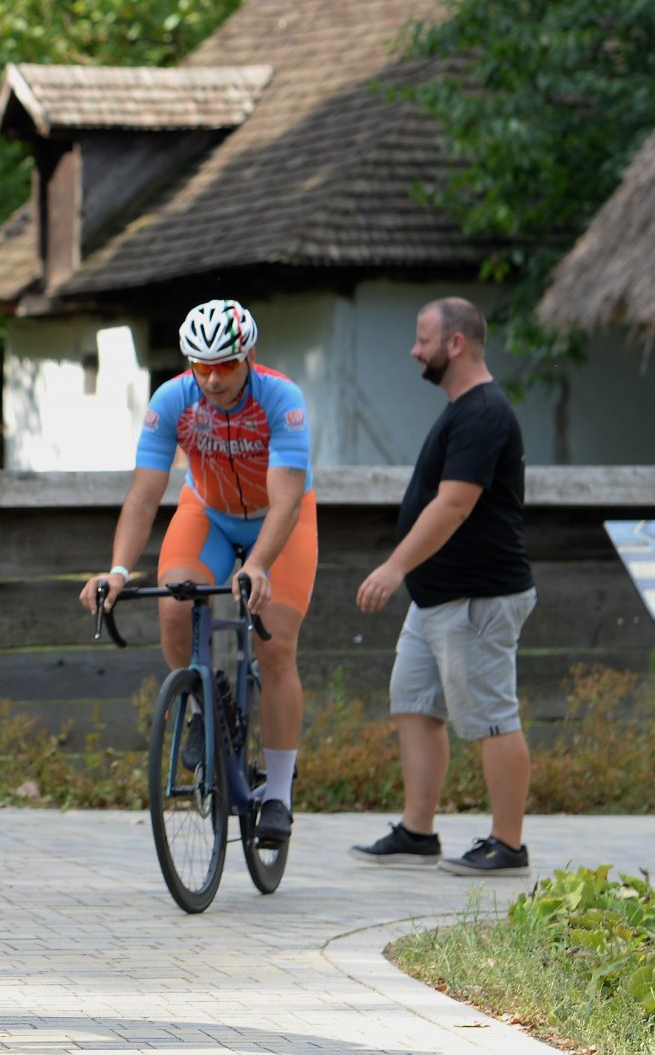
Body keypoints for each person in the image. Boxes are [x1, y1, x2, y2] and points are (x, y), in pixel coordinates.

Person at [79, 299, 317, 845]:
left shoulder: (282, 399)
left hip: (280, 519)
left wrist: (258, 564)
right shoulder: (172, 401)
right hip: (207, 513)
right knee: (174, 604)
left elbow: (286, 500)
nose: (212, 379)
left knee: (276, 647)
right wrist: (119, 571)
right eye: (201, 366)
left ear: (249, 356)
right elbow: (144, 496)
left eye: (225, 365)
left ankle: (278, 794)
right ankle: (205, 703)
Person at [351, 296, 537, 878]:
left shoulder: (484, 413)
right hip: (437, 598)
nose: (414, 350)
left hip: (477, 598)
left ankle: (508, 845)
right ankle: (417, 832)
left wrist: (394, 567)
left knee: (491, 717)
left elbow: (454, 505)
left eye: (423, 339)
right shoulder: (462, 410)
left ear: (455, 344)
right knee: (414, 702)